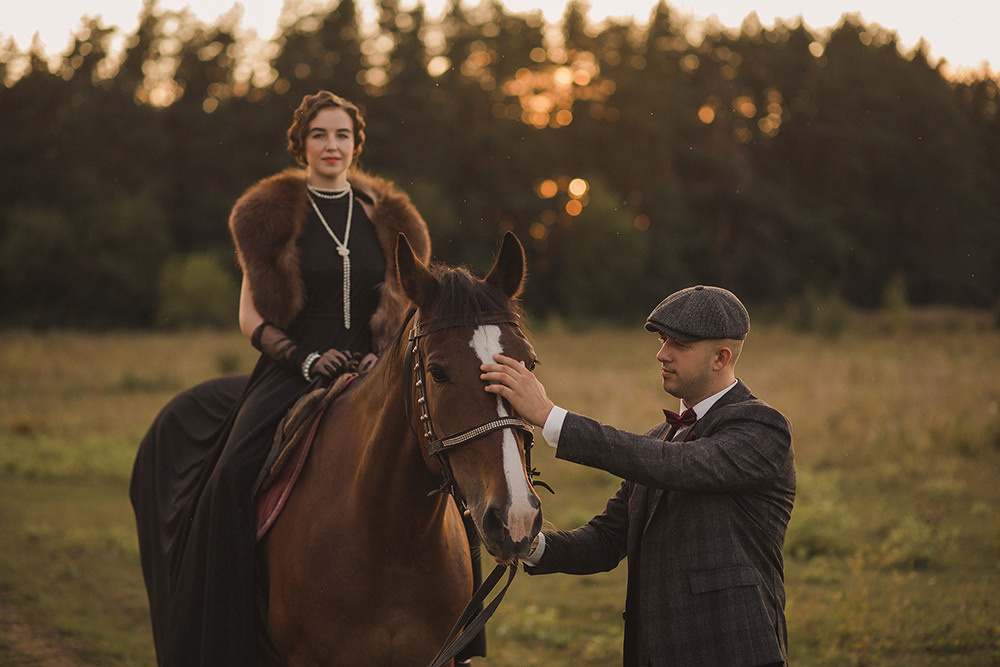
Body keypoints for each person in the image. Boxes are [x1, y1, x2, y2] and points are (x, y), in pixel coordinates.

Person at [130, 91, 435, 665]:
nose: (331, 145)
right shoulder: (269, 213)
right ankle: (225, 636)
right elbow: (249, 315)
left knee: (438, 464)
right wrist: (299, 359)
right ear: (301, 144)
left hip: (373, 370)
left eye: (341, 135)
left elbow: (408, 309)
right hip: (291, 368)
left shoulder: (390, 222)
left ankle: (458, 631)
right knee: (228, 481)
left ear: (355, 144)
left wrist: (383, 356)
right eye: (319, 134)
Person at [481, 285, 795, 666]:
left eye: (677, 343)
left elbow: (679, 466)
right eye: (663, 341)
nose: (661, 354)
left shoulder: (762, 426)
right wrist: (528, 543)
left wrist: (551, 417)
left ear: (721, 357)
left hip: (732, 650)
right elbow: (606, 539)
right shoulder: (658, 439)